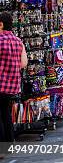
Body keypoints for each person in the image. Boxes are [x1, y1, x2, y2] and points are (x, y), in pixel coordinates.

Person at [0, 12, 28, 143]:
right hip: (12, 86)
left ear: (1, 24)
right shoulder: (18, 41)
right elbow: (23, 64)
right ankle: (9, 143)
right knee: (5, 114)